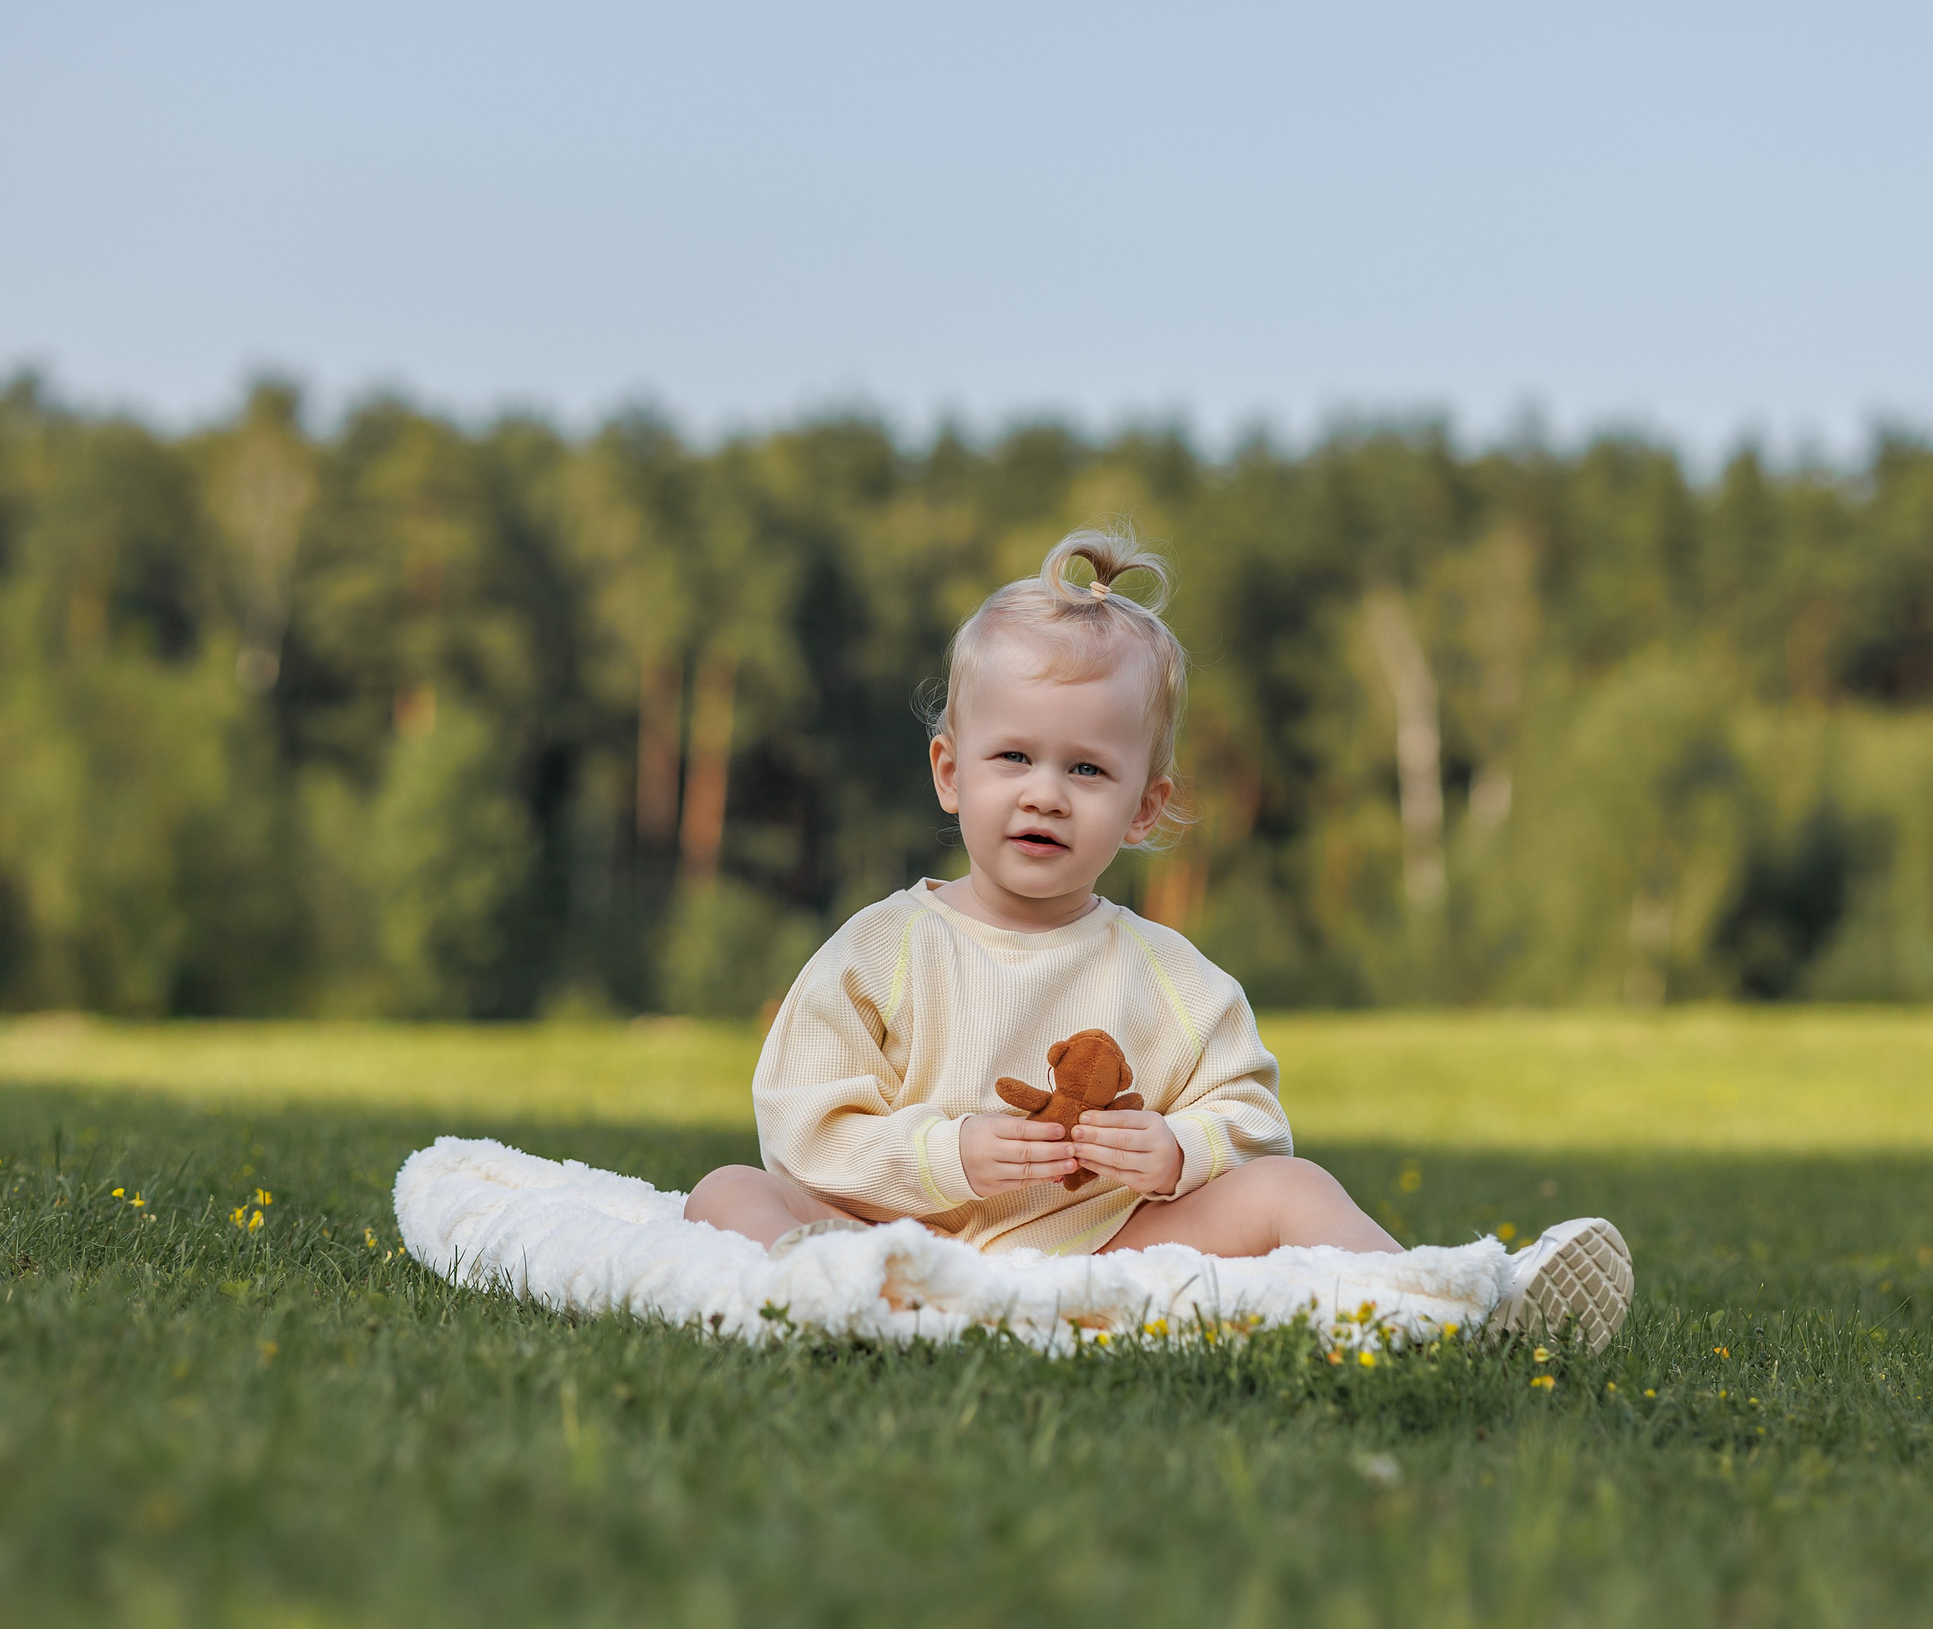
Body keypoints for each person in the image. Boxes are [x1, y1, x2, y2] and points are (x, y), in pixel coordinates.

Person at [683, 526, 1630, 1341]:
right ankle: (833, 1293)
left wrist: (1180, 1150)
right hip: (899, 1243)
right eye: (1012, 756)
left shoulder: (1169, 976)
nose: (1045, 792)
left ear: (1146, 807)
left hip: (1098, 1251)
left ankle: (1457, 1302)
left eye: (1089, 770)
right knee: (726, 1189)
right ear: (949, 772)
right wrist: (944, 1155)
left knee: (1293, 1192)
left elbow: (1253, 1121)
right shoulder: (879, 950)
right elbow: (802, 1119)